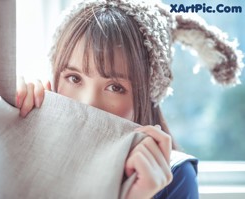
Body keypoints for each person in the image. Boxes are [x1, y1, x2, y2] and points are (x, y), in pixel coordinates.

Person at [15, 0, 243, 198]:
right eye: (74, 78)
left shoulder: (174, 177)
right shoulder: (27, 135)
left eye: (115, 87)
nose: (88, 103)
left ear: (149, 93)